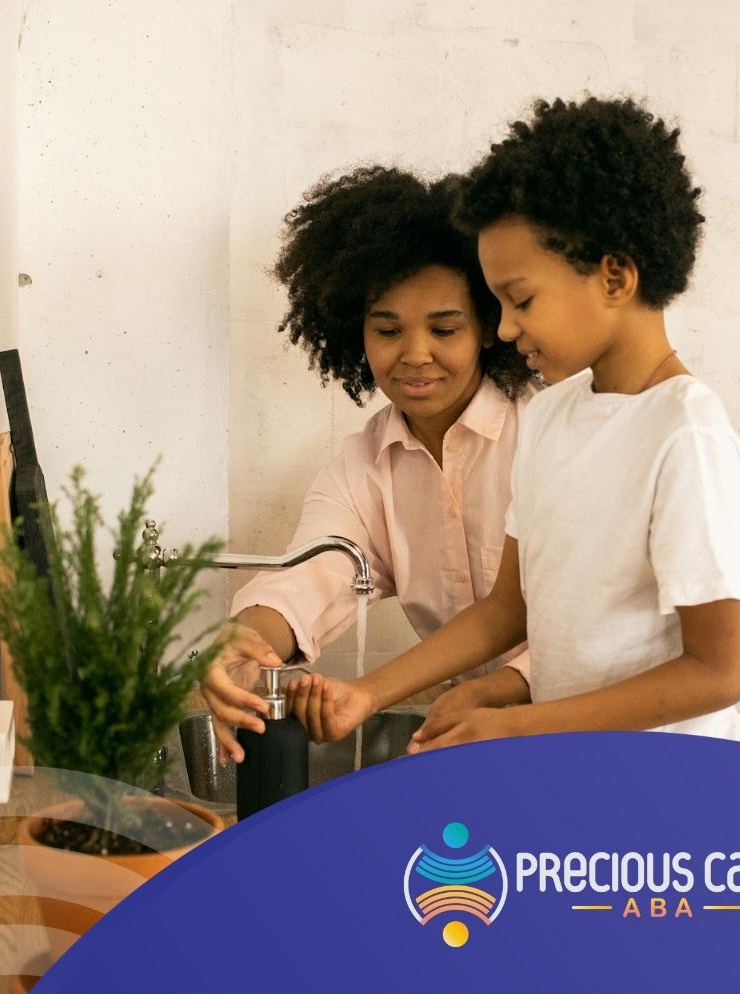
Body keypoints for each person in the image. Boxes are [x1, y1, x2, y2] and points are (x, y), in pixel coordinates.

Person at [289, 97, 740, 749]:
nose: (505, 329)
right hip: (572, 770)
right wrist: (368, 693)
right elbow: (507, 610)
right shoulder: (553, 414)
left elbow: (719, 672)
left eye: (521, 299)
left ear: (615, 277)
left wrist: (515, 722)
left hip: (671, 782)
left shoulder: (685, 434)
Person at [201, 165, 538, 764]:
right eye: (387, 330)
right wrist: (244, 639)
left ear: (489, 328)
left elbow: (606, 617)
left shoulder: (545, 431)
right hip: (478, 741)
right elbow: (312, 574)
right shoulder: (365, 466)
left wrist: (504, 686)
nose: (415, 354)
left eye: (444, 329)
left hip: (601, 729)